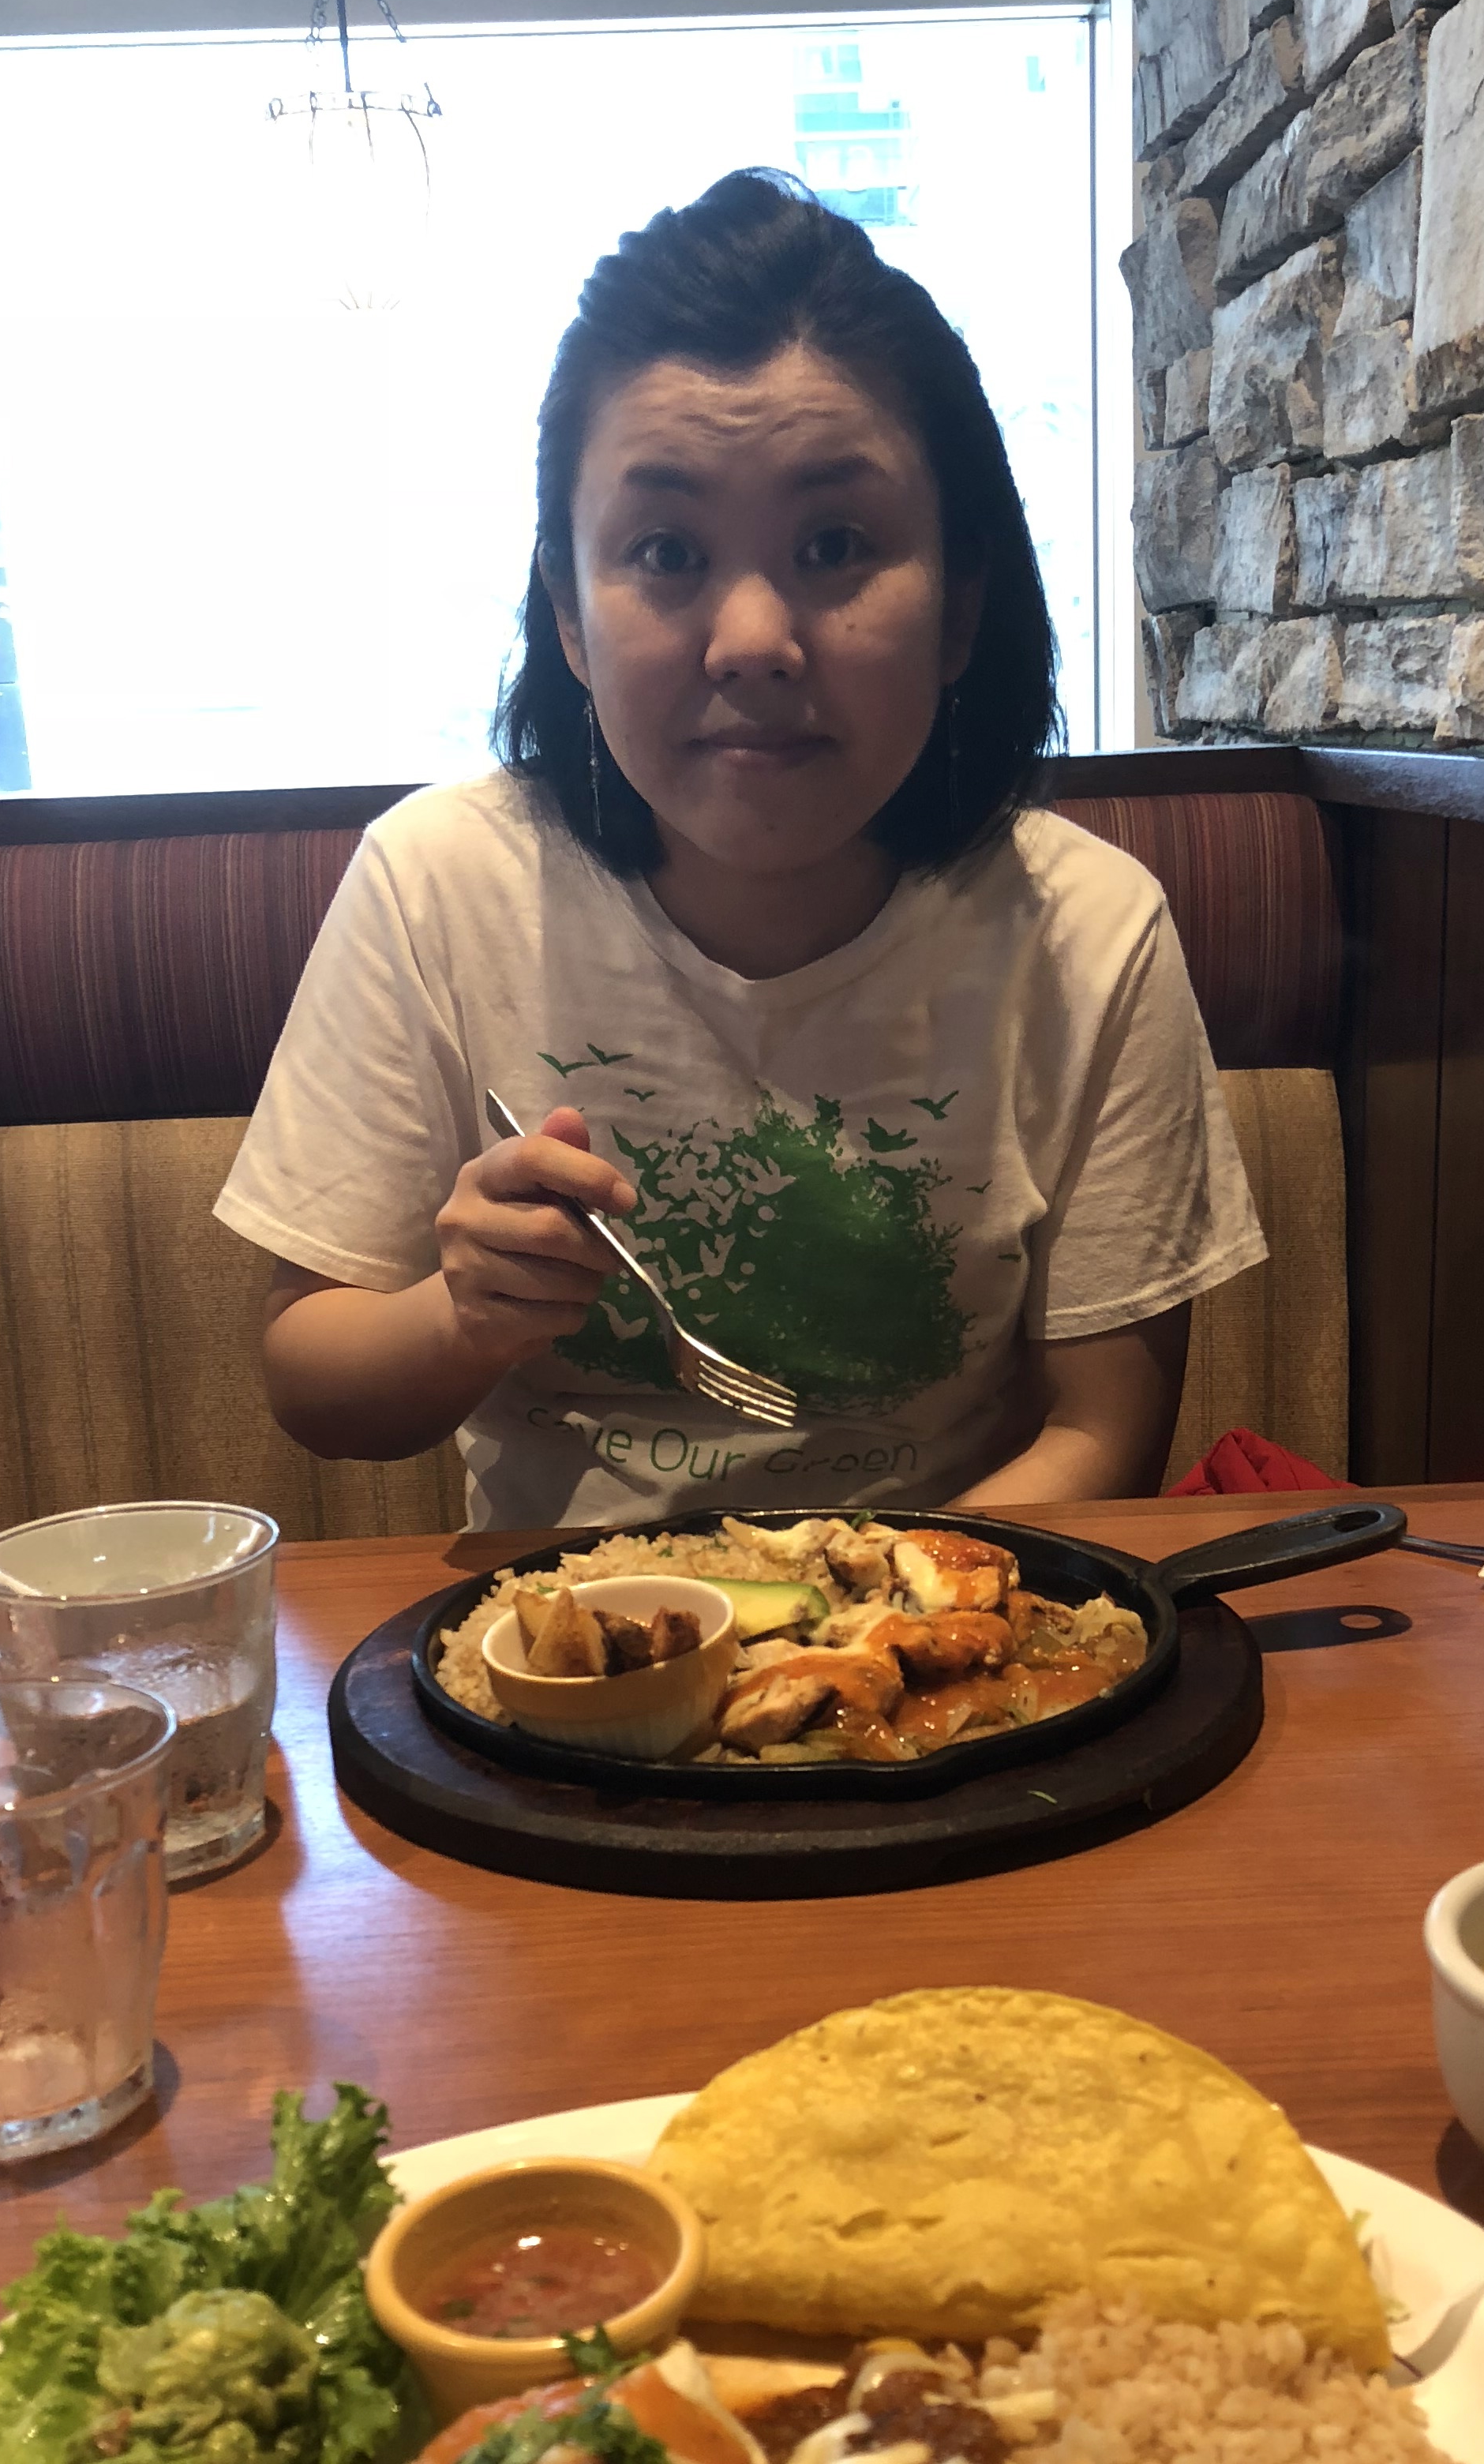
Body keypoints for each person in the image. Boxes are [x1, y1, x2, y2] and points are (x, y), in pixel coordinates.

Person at [217, 169, 1264, 1526]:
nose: (754, 641)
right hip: (553, 1633)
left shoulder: (1089, 930)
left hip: (952, 1616)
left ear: (961, 605)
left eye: (834, 543)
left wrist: (857, 1610)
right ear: (569, 615)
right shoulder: (438, 886)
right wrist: (463, 1315)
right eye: (666, 551)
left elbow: (1102, 1432)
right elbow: (313, 1385)